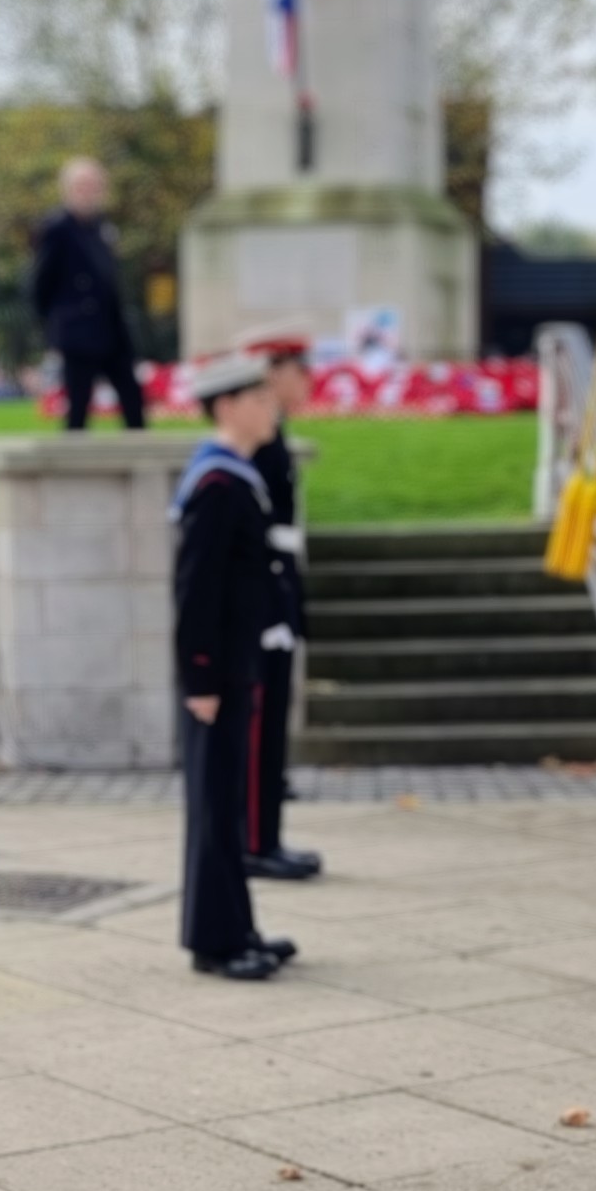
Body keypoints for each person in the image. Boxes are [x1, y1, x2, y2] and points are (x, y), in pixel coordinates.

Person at [173, 350, 296, 978]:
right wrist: (200, 676)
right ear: (227, 407)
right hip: (215, 673)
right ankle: (214, 942)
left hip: (235, 663)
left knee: (226, 805)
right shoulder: (217, 484)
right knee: (217, 811)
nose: (270, 407)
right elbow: (196, 591)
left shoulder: (235, 476)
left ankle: (236, 928)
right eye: (257, 399)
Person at [235, 325, 323, 883]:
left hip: (280, 597)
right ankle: (254, 841)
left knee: (271, 737)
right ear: (273, 373)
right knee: (258, 731)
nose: (307, 380)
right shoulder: (261, 439)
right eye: (298, 369)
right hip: (263, 606)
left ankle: (268, 836)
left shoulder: (276, 434)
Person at [29, 156, 142, 430]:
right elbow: (41, 282)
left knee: (133, 399)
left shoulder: (102, 226)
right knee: (78, 406)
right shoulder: (57, 228)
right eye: (82, 186)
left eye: (94, 186)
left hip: (110, 330)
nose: (89, 192)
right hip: (77, 333)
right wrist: (54, 326)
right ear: (68, 189)